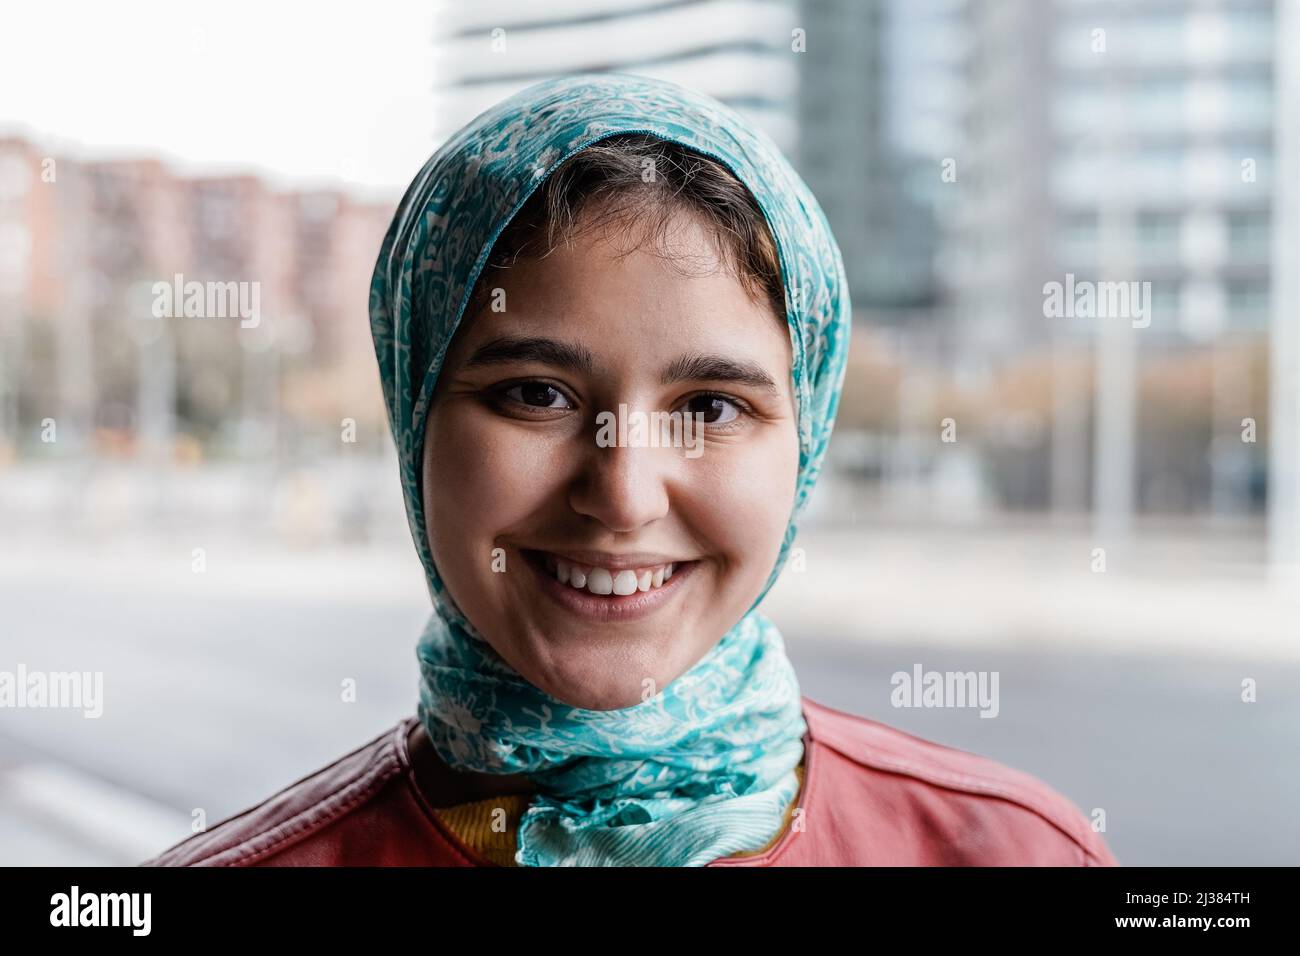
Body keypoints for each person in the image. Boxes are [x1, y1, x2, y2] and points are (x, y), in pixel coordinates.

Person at [143, 73, 1118, 867]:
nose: (621, 494)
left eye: (709, 407)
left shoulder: (1014, 854)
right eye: (535, 394)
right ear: (415, 418)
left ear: (805, 438)